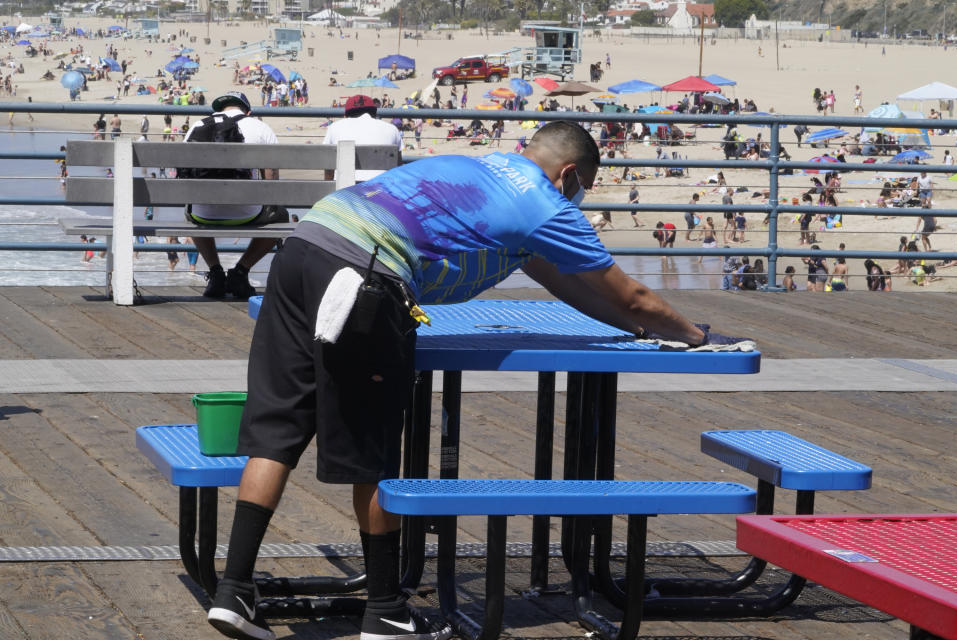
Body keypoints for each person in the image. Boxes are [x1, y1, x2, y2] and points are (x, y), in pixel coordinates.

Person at [206, 121, 707, 640]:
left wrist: (636, 329)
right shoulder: (546, 204)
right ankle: (384, 611)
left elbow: (562, 281)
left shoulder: (483, 166)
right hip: (366, 276)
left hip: (303, 248)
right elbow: (633, 295)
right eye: (582, 188)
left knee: (277, 434)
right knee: (374, 459)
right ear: (570, 174)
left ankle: (234, 591)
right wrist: (696, 335)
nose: (578, 198)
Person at [182, 92, 281, 299]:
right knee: (280, 217)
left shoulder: (197, 126)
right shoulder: (260, 127)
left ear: (218, 109)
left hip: (202, 214)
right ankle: (241, 271)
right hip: (248, 213)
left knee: (192, 211)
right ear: (248, 111)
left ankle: (215, 272)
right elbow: (272, 180)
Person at [323, 95, 403, 182]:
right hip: (381, 190)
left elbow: (328, 166)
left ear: (345, 115)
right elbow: (398, 167)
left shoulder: (334, 127)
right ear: (374, 113)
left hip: (346, 191)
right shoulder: (392, 129)